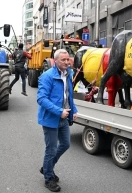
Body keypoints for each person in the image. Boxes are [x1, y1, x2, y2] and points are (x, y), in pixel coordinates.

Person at [37, 49, 78, 192]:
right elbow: (41, 99)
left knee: (66, 144)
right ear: (55, 61)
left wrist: (74, 110)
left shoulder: (68, 74)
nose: (67, 62)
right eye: (63, 60)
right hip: (50, 119)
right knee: (51, 149)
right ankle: (48, 178)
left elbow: (68, 96)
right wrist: (59, 111)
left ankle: (47, 167)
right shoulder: (46, 76)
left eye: (68, 59)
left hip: (64, 118)